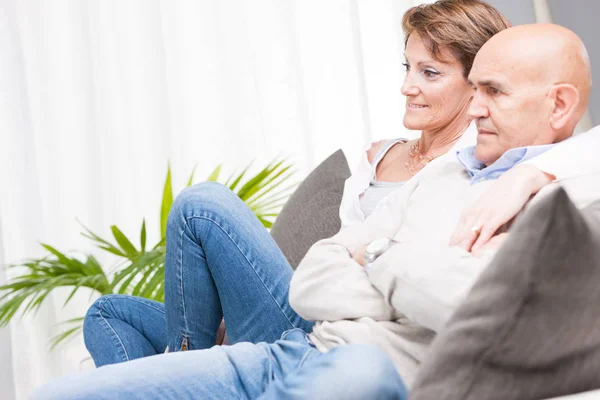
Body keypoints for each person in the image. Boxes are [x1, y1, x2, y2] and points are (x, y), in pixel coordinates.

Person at [32, 23, 600, 400]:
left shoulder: (566, 196)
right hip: (291, 345)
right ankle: (196, 364)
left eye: (491, 91)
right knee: (98, 328)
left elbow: (466, 302)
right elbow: (315, 273)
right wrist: (392, 259)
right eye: (473, 88)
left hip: (358, 363)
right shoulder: (444, 171)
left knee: (205, 207)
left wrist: (374, 253)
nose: (475, 106)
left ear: (558, 104)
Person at [82, 0, 512, 367]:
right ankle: (199, 367)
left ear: (476, 84)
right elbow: (335, 253)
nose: (406, 86)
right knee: (108, 313)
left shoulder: (471, 170)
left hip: (328, 330)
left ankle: (189, 372)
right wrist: (244, 296)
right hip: (305, 300)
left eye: (429, 73)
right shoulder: (375, 157)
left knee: (202, 206)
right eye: (408, 67)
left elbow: (390, 273)